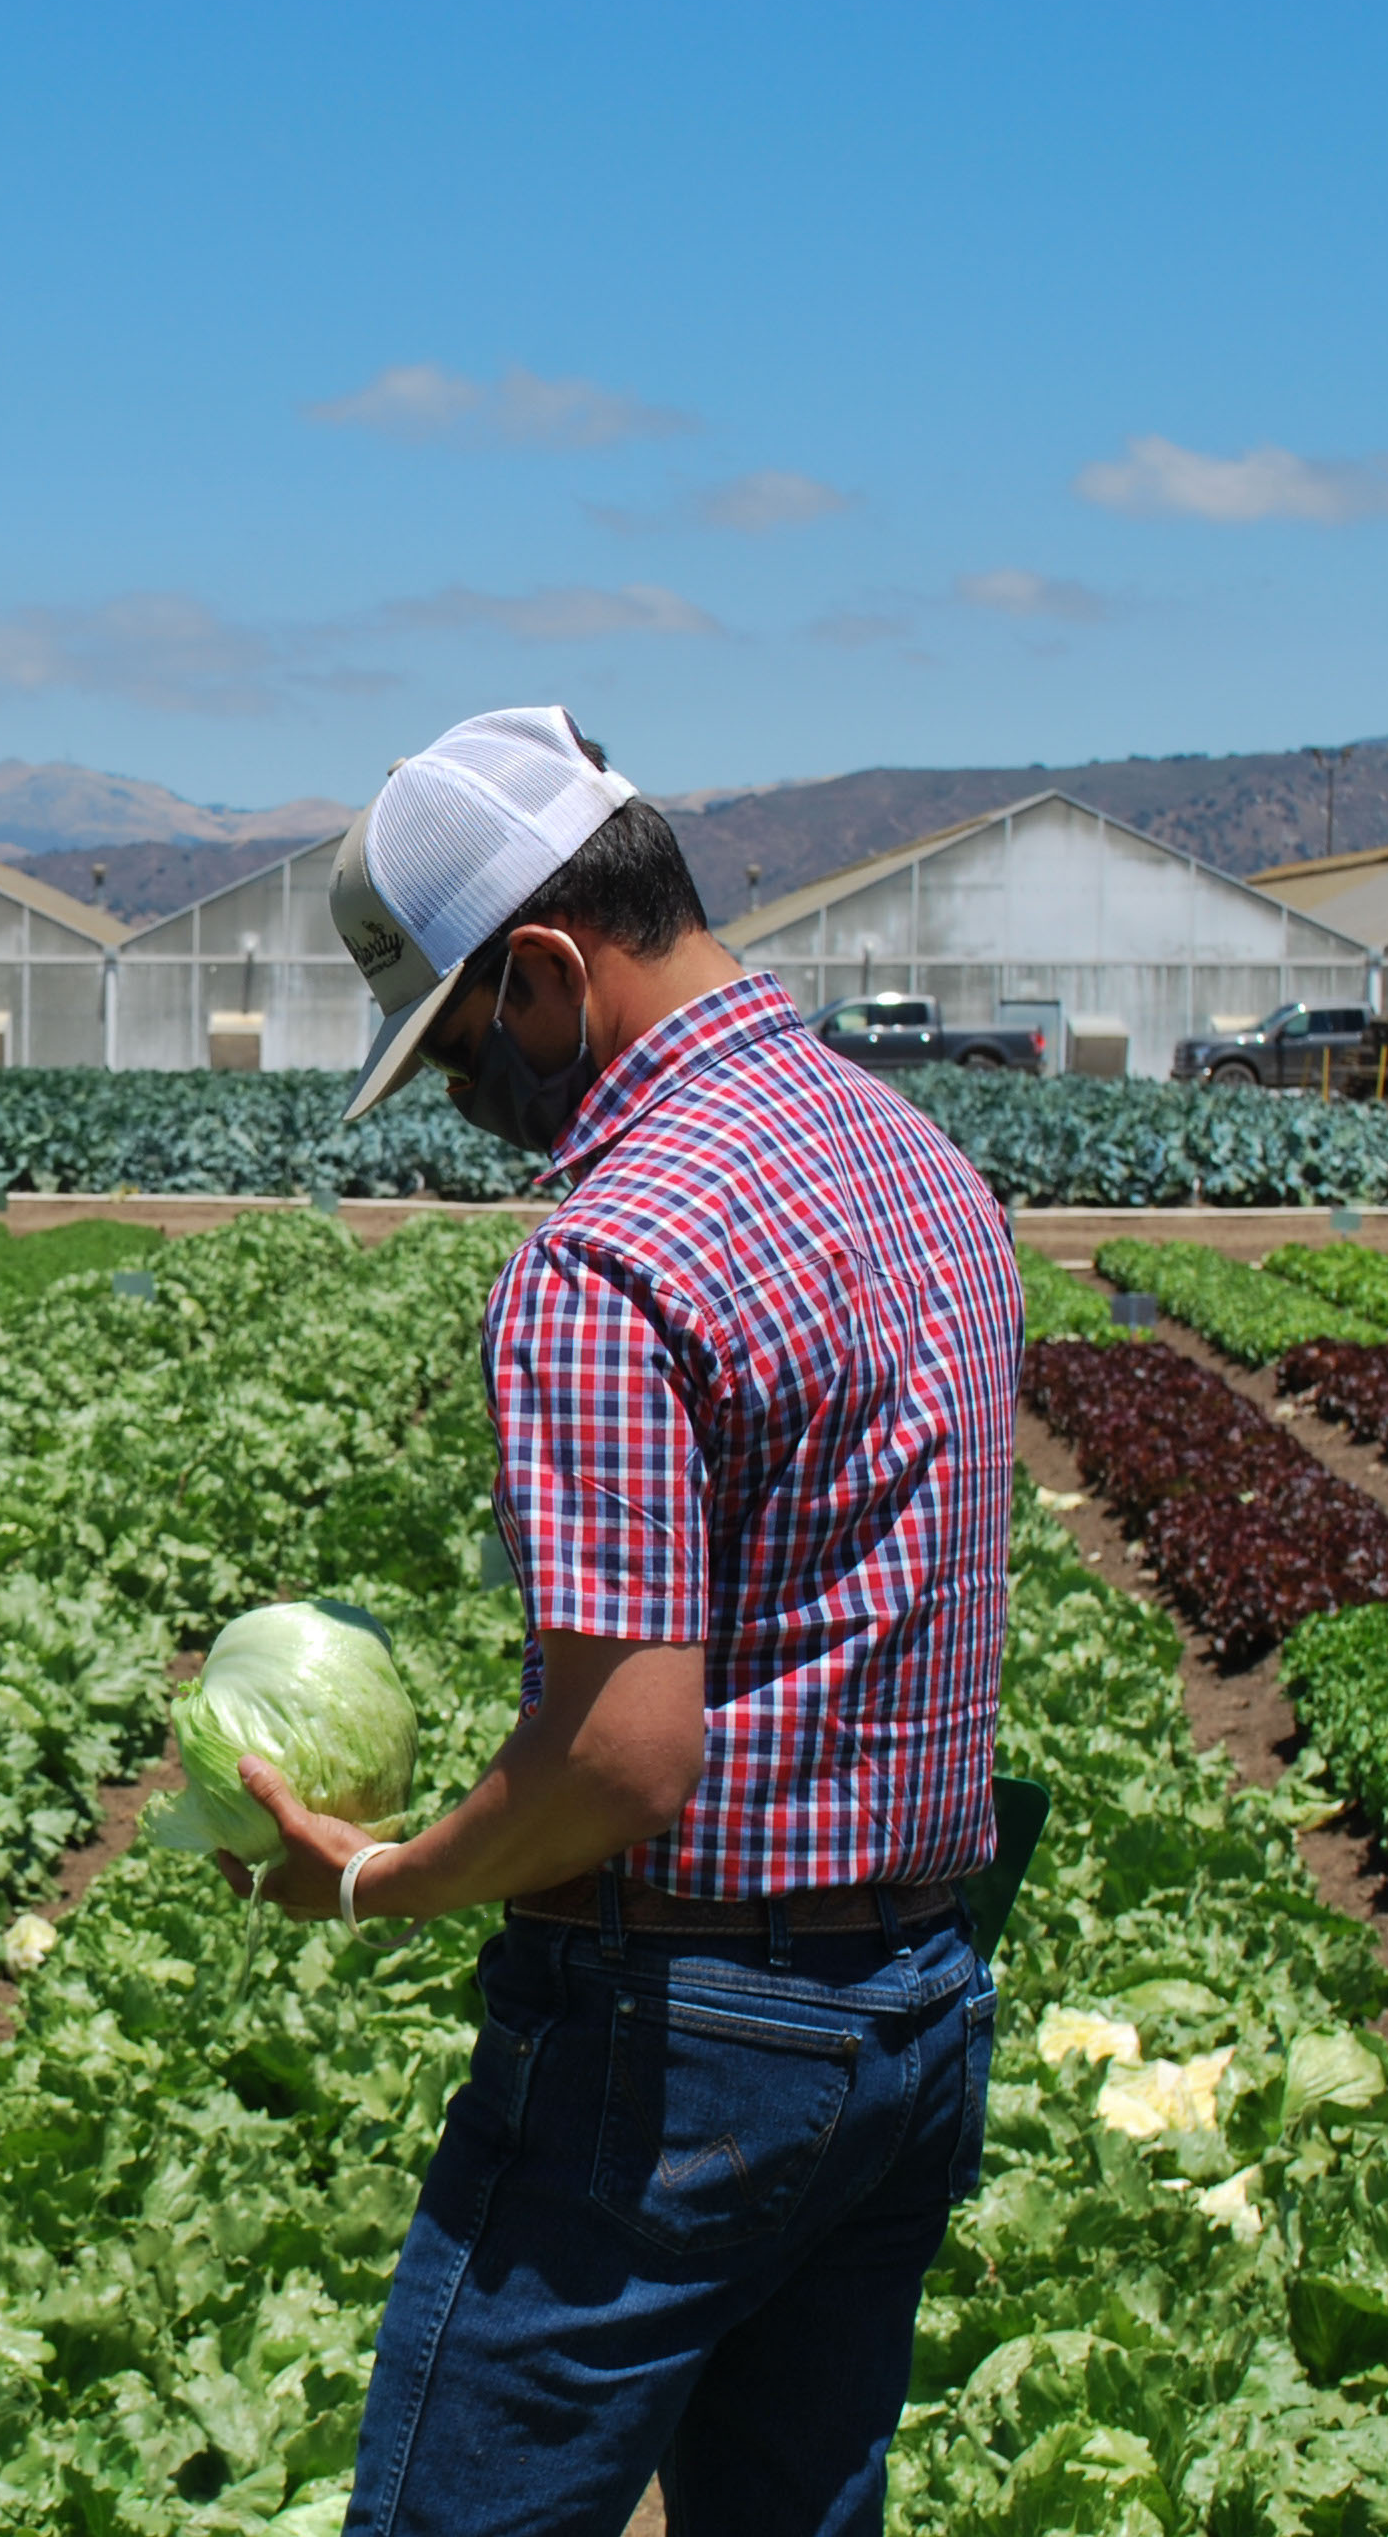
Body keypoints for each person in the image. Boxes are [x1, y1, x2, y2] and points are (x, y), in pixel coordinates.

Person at [249, 707, 1015, 2537]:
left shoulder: (605, 1257)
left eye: (457, 1049)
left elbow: (621, 1754)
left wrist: (381, 1881)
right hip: (917, 2005)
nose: (465, 1101)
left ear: (544, 972)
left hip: (679, 2047)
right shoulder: (922, 1160)